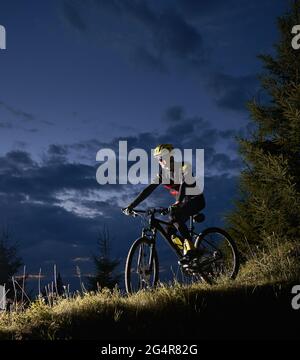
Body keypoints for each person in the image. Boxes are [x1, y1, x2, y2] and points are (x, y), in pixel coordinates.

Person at [123, 144, 205, 265]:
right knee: (169, 231)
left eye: (162, 157)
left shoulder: (184, 166)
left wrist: (178, 202)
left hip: (196, 200)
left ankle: (192, 250)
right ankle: (188, 251)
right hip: (182, 203)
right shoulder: (162, 174)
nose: (160, 161)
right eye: (158, 158)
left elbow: (184, 183)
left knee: (174, 216)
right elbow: (148, 190)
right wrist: (131, 205)